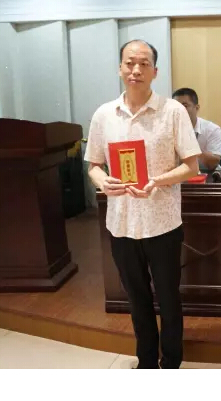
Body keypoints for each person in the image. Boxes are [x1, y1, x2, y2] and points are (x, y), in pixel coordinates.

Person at [84, 40, 201, 369]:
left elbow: (191, 166)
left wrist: (157, 181)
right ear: (120, 68)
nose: (136, 70)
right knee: (136, 299)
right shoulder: (104, 115)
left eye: (144, 64)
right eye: (129, 63)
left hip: (162, 222)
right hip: (121, 223)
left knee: (168, 297)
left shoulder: (172, 111)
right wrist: (102, 181)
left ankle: (171, 362)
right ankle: (147, 361)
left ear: (155, 71)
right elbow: (93, 165)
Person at [172, 87, 221, 171]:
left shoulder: (212, 129)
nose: (179, 110)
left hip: (208, 174)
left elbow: (213, 164)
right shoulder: (167, 129)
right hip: (180, 174)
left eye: (185, 106)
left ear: (196, 108)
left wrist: (191, 149)